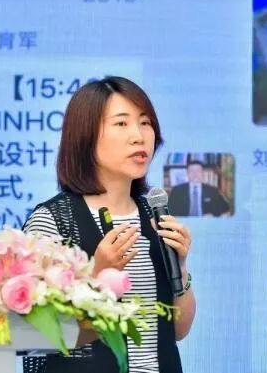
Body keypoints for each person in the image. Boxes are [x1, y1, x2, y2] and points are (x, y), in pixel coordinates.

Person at [23, 77, 195, 373]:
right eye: (121, 124)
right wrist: (96, 275)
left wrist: (180, 269)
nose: (139, 136)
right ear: (86, 135)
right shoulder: (53, 221)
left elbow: (178, 330)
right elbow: (37, 336)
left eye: (145, 123)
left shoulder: (154, 216)